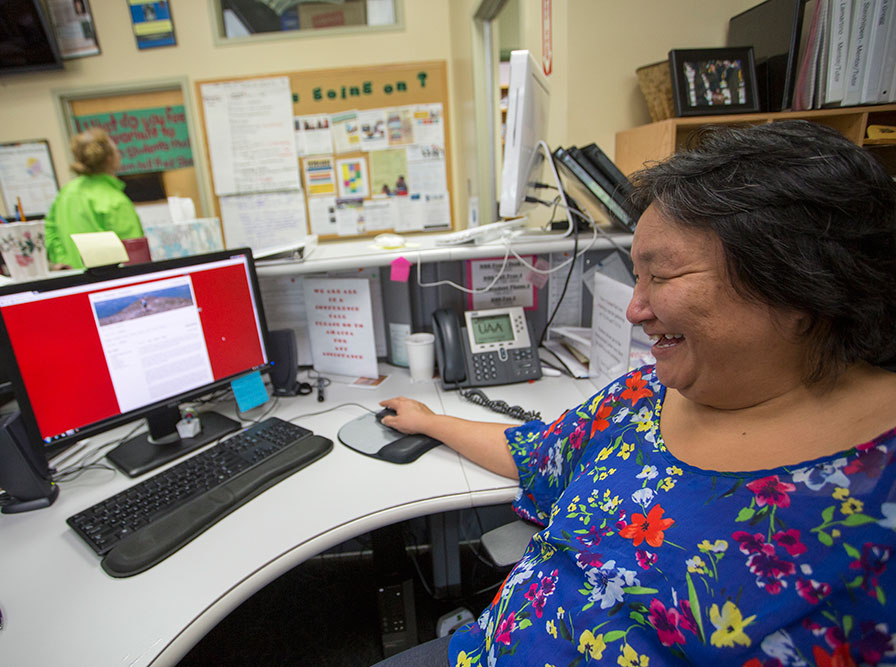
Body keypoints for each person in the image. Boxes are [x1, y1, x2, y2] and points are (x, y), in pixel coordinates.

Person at [373, 120, 896, 666]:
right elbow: (537, 452)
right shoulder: (645, 394)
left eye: (662, 277)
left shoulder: (878, 493)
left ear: (800, 282)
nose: (634, 310)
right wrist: (430, 421)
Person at [44, 128, 144, 269]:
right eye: (116, 151)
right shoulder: (115, 200)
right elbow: (134, 256)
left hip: (74, 280)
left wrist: (65, 262)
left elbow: (50, 232)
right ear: (110, 158)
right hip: (109, 285)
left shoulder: (66, 193)